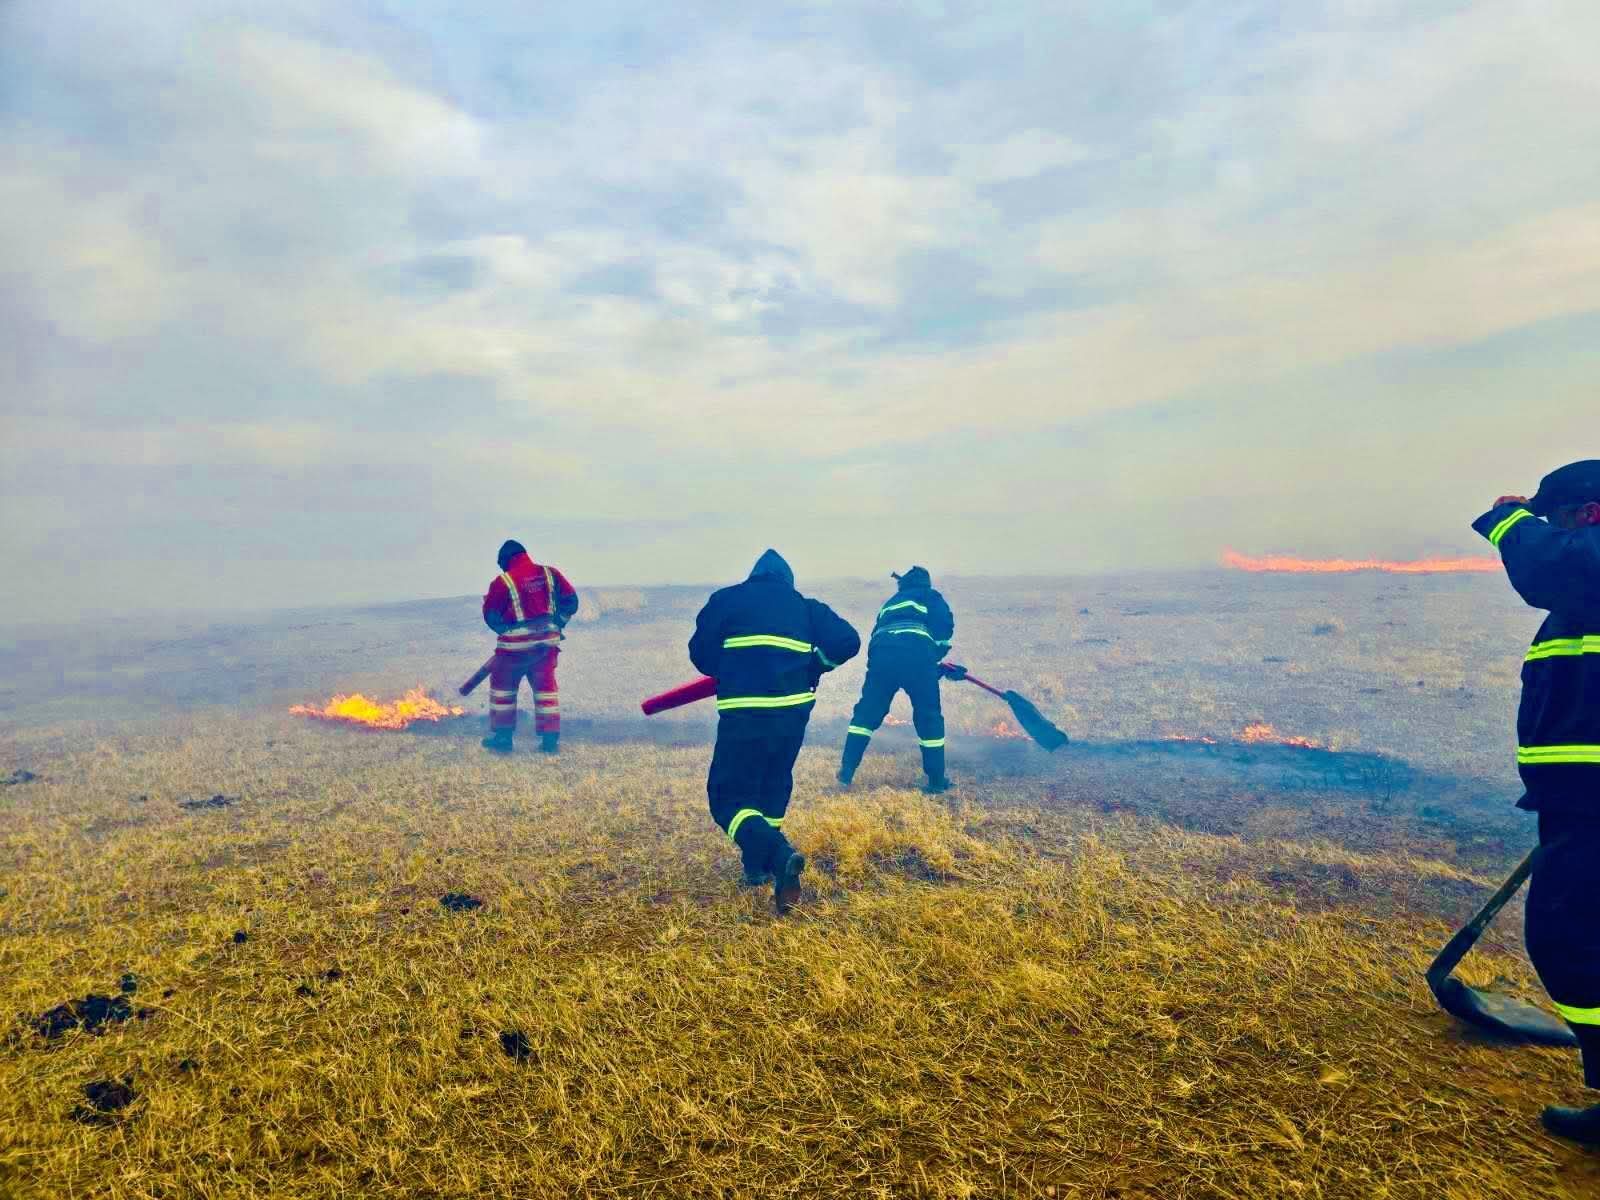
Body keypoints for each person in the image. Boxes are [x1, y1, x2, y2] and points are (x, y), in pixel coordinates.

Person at [1472, 460, 1600, 1144]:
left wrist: (1510, 517)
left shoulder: (1586, 565)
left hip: (1592, 802)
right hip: (1579, 798)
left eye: (1560, 518)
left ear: (1588, 513)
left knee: (1568, 936)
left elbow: (1551, 566)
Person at [689, 549, 860, 914]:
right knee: (773, 781)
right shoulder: (806, 607)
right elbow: (849, 640)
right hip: (792, 714)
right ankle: (757, 866)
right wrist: (815, 666)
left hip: (745, 713)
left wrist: (732, 667)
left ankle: (777, 854)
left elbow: (700, 654)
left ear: (754, 576)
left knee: (726, 797)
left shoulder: (727, 600)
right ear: (788, 581)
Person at [837, 566, 955, 793]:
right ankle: (937, 782)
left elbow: (878, 634)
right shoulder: (930, 595)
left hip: (882, 656)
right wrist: (934, 658)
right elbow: (944, 625)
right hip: (917, 656)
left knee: (867, 713)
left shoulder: (890, 602)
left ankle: (846, 771)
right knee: (928, 715)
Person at [480, 539, 579, 755]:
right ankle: (550, 739)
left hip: (513, 651)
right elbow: (571, 601)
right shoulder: (550, 574)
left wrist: (505, 631)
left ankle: (503, 738)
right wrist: (558, 623)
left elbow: (490, 615)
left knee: (503, 689)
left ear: (505, 561)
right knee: (546, 690)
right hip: (545, 646)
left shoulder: (502, 582)